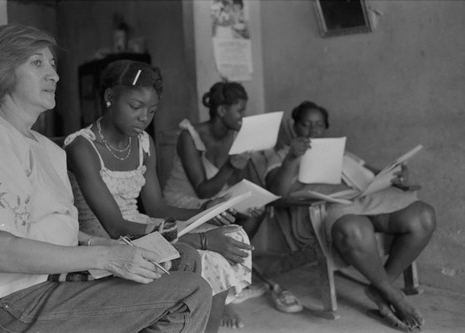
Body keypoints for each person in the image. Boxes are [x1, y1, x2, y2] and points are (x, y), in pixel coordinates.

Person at [0, 24, 211, 333]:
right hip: (13, 302)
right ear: (0, 69)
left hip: (54, 282)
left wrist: (111, 246)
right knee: (190, 291)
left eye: (53, 64)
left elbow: (55, 233)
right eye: (37, 63)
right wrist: (107, 257)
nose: (53, 74)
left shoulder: (46, 148)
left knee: (182, 258)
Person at [64, 61, 251, 333]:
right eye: (135, 107)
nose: (144, 118)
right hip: (104, 238)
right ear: (109, 98)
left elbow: (156, 206)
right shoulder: (82, 146)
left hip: (142, 225)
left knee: (230, 235)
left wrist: (206, 210)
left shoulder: (142, 143)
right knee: (208, 256)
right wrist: (198, 238)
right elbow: (115, 226)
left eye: (151, 110)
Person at [265, 101, 436, 330]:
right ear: (294, 126)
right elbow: (277, 193)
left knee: (424, 216)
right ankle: (393, 294)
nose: (312, 131)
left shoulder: (341, 153)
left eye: (318, 125)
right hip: (328, 209)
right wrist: (292, 159)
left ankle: (382, 288)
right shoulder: (282, 155)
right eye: (305, 124)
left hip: (366, 200)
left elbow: (375, 172)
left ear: (325, 127)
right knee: (354, 228)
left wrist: (397, 175)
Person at [163, 81, 303, 326]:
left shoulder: (237, 136)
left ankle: (225, 289)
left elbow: (239, 181)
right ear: (221, 111)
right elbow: (202, 189)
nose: (243, 117)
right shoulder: (190, 135)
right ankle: (220, 299)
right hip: (186, 201)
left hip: (218, 200)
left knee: (254, 213)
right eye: (240, 111)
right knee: (221, 224)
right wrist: (230, 165)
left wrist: (250, 198)